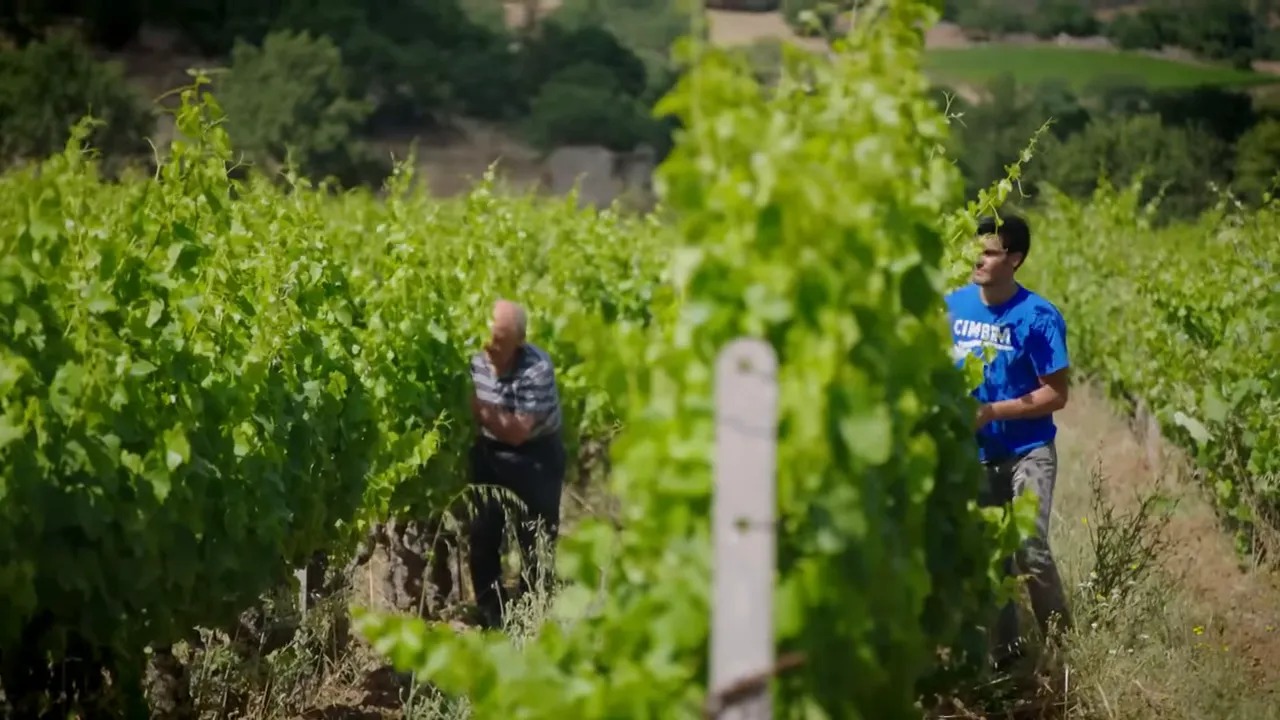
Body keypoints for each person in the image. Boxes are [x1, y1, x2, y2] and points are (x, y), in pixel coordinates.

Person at [945, 214, 1073, 669]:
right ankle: (1007, 658)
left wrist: (993, 412)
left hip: (1028, 451)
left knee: (1029, 546)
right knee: (991, 558)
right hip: (975, 455)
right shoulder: (952, 306)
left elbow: (1057, 394)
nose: (978, 259)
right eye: (976, 250)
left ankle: (1063, 647)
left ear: (1014, 259)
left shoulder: (1038, 316)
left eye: (990, 252)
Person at [467, 299, 566, 629]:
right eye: (488, 337)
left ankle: (532, 615)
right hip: (488, 449)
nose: (489, 347)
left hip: (535, 455)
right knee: (482, 536)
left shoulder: (537, 367)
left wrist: (475, 406)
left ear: (519, 343)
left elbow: (516, 433)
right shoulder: (472, 356)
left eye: (499, 342)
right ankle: (492, 614)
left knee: (536, 538)